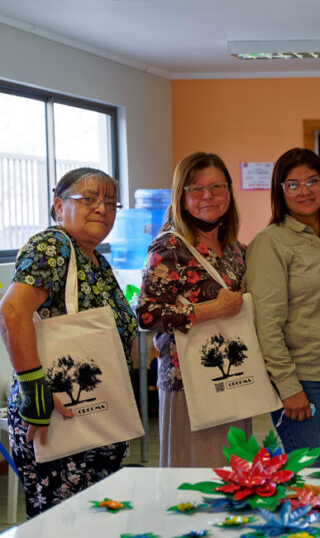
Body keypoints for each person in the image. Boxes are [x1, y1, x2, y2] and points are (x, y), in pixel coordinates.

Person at [0, 168, 136, 516]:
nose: (102, 209)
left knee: (94, 519)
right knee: (66, 523)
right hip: (58, 410)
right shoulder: (53, 245)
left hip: (93, 411)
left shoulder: (95, 260)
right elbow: (12, 311)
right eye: (88, 199)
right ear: (59, 206)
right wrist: (35, 389)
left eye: (110, 203)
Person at [246, 147, 320, 467]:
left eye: (312, 181)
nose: (304, 191)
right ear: (280, 191)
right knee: (312, 480)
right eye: (293, 184)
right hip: (305, 380)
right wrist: (288, 388)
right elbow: (266, 324)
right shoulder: (271, 243)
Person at [136, 152, 251, 467]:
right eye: (196, 189)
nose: (208, 196)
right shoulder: (170, 247)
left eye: (217, 186)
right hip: (188, 383)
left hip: (236, 373)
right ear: (181, 196)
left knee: (236, 473)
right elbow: (147, 314)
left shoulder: (236, 250)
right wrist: (212, 309)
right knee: (193, 479)